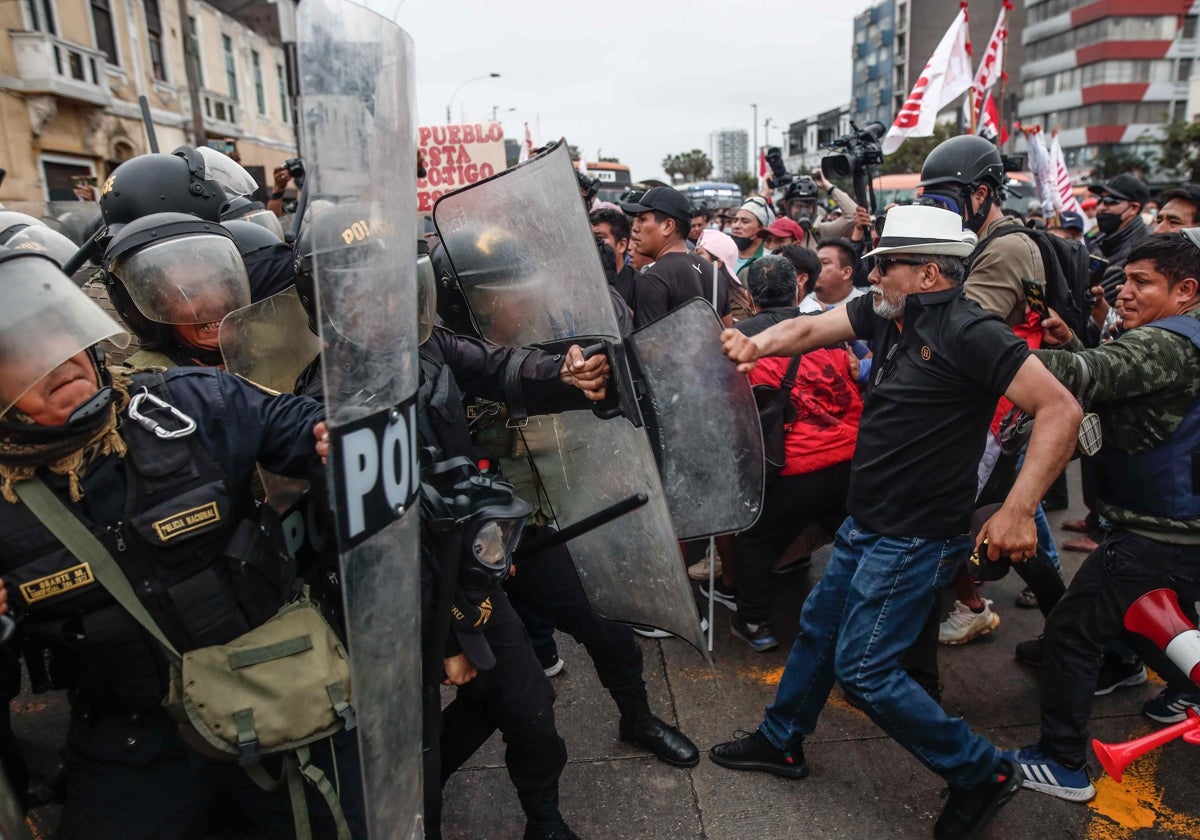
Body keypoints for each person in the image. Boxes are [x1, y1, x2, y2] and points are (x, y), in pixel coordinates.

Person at [712, 205, 1082, 840]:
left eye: (885, 264)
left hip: (915, 536)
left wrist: (1019, 509)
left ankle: (981, 772)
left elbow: (1060, 407)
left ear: (931, 272)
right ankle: (781, 740)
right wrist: (754, 343)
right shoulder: (887, 311)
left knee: (865, 668)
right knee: (819, 629)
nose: (872, 273)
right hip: (868, 522)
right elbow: (806, 332)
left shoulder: (971, 330)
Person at [0, 246, 365, 839]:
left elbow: (297, 426)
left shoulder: (183, 402)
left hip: (276, 694)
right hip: (133, 736)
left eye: (59, 336)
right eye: (21, 354)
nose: (58, 360)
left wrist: (333, 432)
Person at [1008, 231, 1200, 802]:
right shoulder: (1177, 336)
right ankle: (1176, 685)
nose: (1126, 293)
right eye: (1125, 280)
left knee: (1071, 631)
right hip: (1173, 522)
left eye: (1143, 283)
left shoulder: (1170, 343)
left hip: (1156, 530)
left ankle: (1062, 761)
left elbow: (1086, 373)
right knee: (1156, 621)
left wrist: (974, 349)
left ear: (1186, 290)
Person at [720, 255, 862, 652]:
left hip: (794, 464)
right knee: (856, 534)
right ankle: (866, 609)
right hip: (850, 456)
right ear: (797, 290)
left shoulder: (739, 339)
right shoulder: (827, 330)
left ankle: (754, 622)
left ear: (749, 297)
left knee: (756, 539)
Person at [622, 186, 730, 328]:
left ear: (668, 226)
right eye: (634, 221)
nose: (635, 228)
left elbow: (650, 346)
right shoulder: (715, 273)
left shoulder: (654, 279)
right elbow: (728, 334)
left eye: (642, 219)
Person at [1089, 174, 1150, 305]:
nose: (1101, 207)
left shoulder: (1143, 250)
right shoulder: (1099, 241)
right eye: (1100, 200)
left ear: (1134, 208)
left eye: (1110, 201)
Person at [799, 239, 867, 314]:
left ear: (846, 272)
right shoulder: (800, 302)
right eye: (815, 262)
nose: (815, 267)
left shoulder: (864, 306)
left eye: (824, 262)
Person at [590, 206, 635, 311]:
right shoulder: (580, 283)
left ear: (621, 245)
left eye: (599, 238)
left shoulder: (639, 286)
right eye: (589, 237)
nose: (592, 243)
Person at [730, 197, 773, 275]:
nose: (736, 226)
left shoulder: (769, 263)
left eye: (745, 222)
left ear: (762, 230)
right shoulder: (722, 256)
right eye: (735, 220)